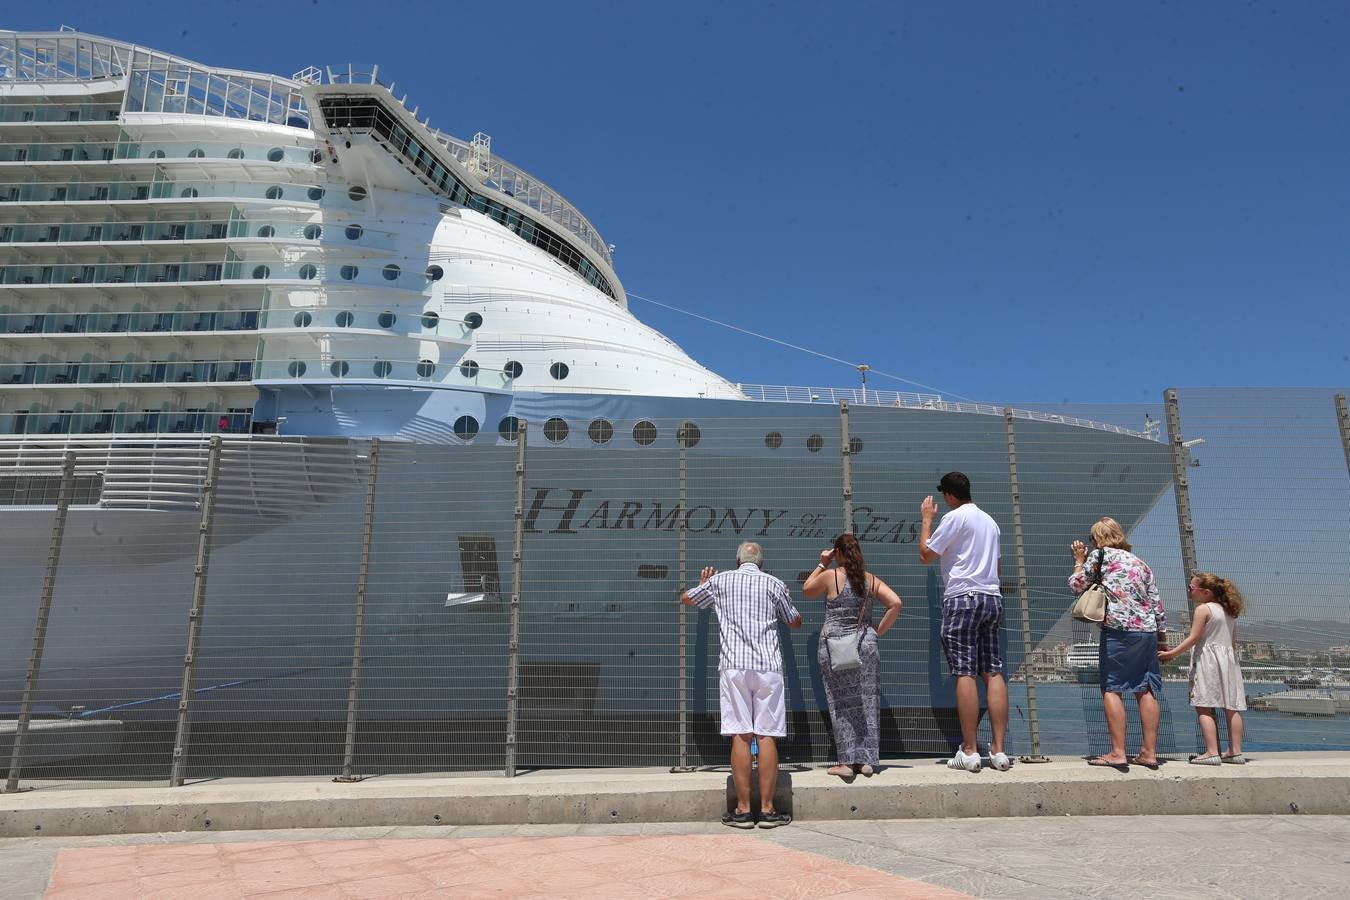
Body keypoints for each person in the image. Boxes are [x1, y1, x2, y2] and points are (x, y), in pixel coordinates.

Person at [681, 541, 802, 828]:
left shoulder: (720, 580)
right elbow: (794, 621)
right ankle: (769, 810)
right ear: (760, 563)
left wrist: (703, 585)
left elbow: (687, 598)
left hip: (734, 666)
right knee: (767, 735)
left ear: (737, 561)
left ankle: (744, 809)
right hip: (768, 667)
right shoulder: (774, 584)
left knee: (740, 734)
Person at [919, 471, 1010, 773]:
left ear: (948, 495)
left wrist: (927, 520)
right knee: (993, 672)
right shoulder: (991, 523)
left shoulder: (954, 518)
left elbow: (926, 554)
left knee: (964, 672)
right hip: (991, 597)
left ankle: (969, 751)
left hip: (962, 597)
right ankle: (998, 750)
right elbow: (996, 566)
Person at [802, 533, 903, 779]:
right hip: (865, 645)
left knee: (840, 704)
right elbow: (895, 603)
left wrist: (822, 562)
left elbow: (807, 590)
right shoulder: (869, 580)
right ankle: (867, 762)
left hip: (835, 648)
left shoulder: (830, 576)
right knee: (867, 702)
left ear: (838, 552)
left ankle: (846, 763)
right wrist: (876, 631)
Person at [1069, 517, 1166, 771]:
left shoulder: (1100, 556)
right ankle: (1149, 752)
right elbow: (1156, 602)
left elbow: (1077, 585)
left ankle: (1118, 752)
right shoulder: (1140, 563)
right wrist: (1162, 637)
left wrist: (1079, 561)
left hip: (1118, 629)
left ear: (1097, 539)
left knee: (1112, 688)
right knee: (1145, 689)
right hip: (1147, 631)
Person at [1159, 572, 1248, 765]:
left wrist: (1171, 654)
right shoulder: (1230, 611)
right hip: (1228, 660)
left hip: (1208, 661)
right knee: (1232, 708)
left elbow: (1194, 638)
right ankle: (1235, 751)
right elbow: (1232, 642)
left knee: (1203, 706)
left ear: (1206, 592)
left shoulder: (1203, 609)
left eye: (1191, 588)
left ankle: (1211, 752)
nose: (1189, 591)